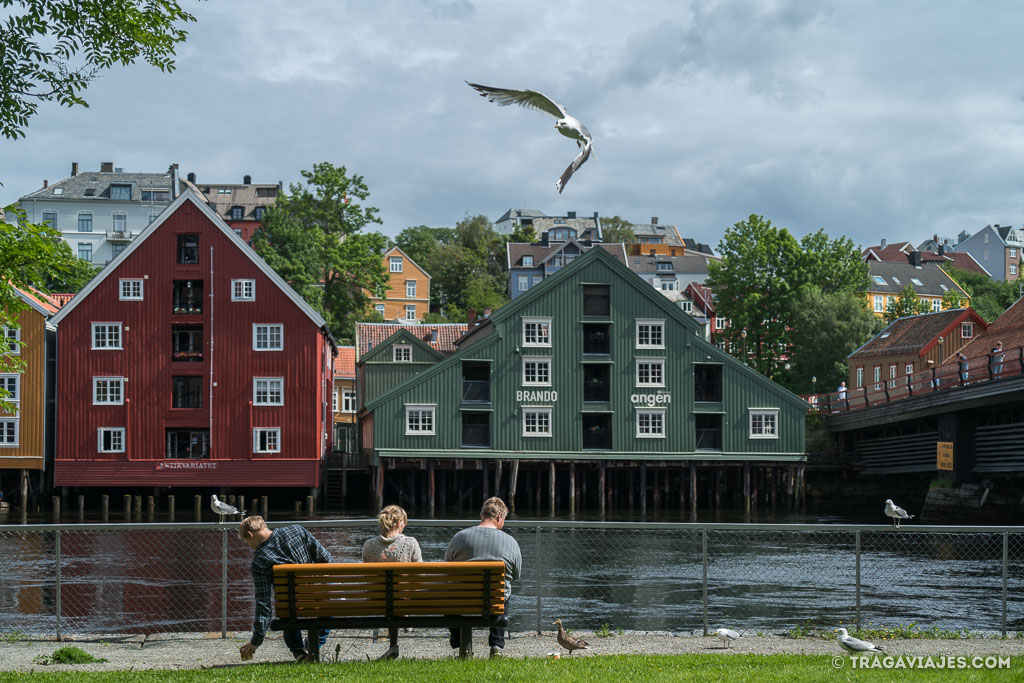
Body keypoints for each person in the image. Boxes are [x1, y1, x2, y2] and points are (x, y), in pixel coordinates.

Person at [238, 516, 332, 663]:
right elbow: (326, 559)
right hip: (318, 601)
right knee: (330, 606)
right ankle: (314, 643)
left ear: (250, 535)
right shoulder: (297, 530)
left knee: (286, 608)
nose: (250, 546)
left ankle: (299, 651)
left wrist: (255, 641)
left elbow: (263, 605)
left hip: (292, 608)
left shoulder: (259, 560)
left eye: (247, 542)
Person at [444, 497, 522, 659]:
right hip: (493, 606)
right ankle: (496, 644)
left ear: (482, 514)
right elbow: (516, 575)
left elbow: (447, 570)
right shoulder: (511, 542)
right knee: (503, 591)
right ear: (500, 517)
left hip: (461, 603)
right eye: (504, 520)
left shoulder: (459, 537)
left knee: (450, 596)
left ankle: (461, 643)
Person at [362, 505, 422, 660]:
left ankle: (392, 645)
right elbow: (420, 575)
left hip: (377, 602)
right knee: (399, 597)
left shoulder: (368, 546)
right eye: (404, 524)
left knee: (388, 599)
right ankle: (404, 618)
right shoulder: (410, 543)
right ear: (398, 523)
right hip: (404, 601)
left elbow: (366, 579)